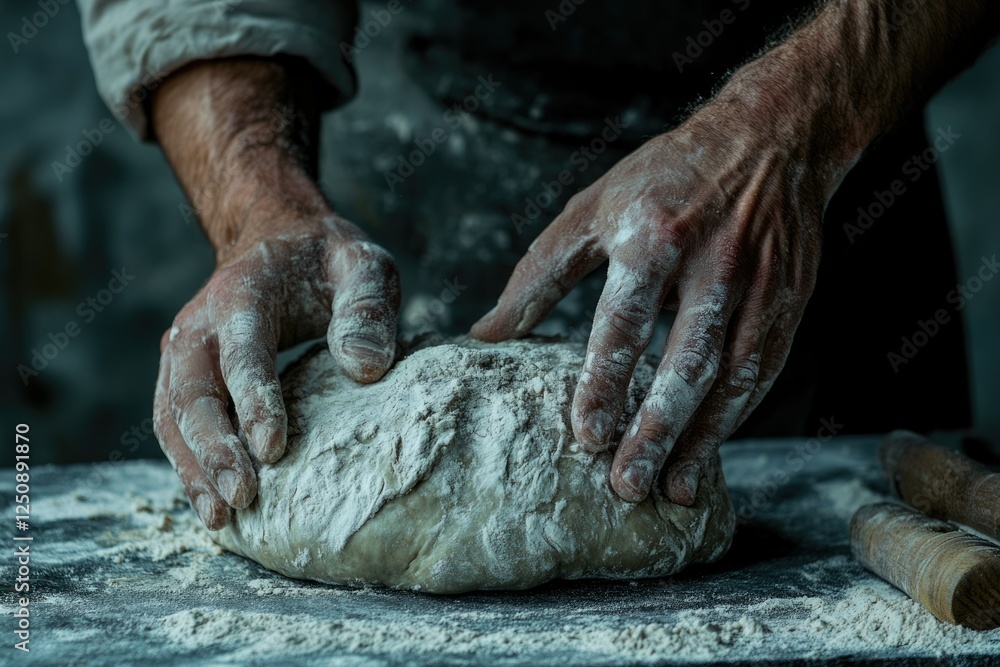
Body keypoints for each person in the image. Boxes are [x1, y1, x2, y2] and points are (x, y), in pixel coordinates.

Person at [75, 0, 999, 529]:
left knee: (852, 544)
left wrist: (795, 128)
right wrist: (257, 206)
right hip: (439, 140)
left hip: (822, 154)